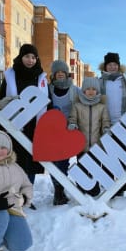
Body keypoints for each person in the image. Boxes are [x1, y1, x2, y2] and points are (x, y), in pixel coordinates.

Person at [0, 44, 50, 209]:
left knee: (31, 163)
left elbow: (48, 100)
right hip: (14, 126)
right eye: (27, 56)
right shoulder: (11, 76)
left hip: (34, 127)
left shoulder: (41, 78)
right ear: (21, 57)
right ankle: (13, 196)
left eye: (33, 57)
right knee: (13, 162)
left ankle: (27, 197)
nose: (30, 60)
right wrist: (1, 104)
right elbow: (1, 99)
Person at [98, 52, 126, 196]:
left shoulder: (125, 82)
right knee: (107, 154)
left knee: (123, 155)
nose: (113, 67)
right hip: (105, 125)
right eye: (110, 65)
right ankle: (107, 184)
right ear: (105, 66)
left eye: (115, 64)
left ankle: (120, 188)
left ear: (119, 66)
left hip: (123, 125)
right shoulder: (100, 81)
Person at [68, 77, 111, 196]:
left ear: (97, 91)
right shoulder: (77, 106)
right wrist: (72, 124)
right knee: (82, 167)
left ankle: (95, 190)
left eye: (93, 89)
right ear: (83, 91)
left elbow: (105, 121)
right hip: (82, 145)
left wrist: (106, 128)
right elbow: (73, 118)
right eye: (88, 89)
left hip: (97, 146)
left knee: (95, 168)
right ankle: (81, 190)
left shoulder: (102, 107)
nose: (91, 91)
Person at [48, 60, 79, 205]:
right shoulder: (48, 89)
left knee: (63, 162)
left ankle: (61, 189)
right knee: (54, 162)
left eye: (62, 72)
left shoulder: (75, 90)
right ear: (53, 75)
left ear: (67, 74)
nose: (60, 74)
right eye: (57, 72)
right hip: (52, 132)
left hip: (68, 132)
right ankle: (58, 191)